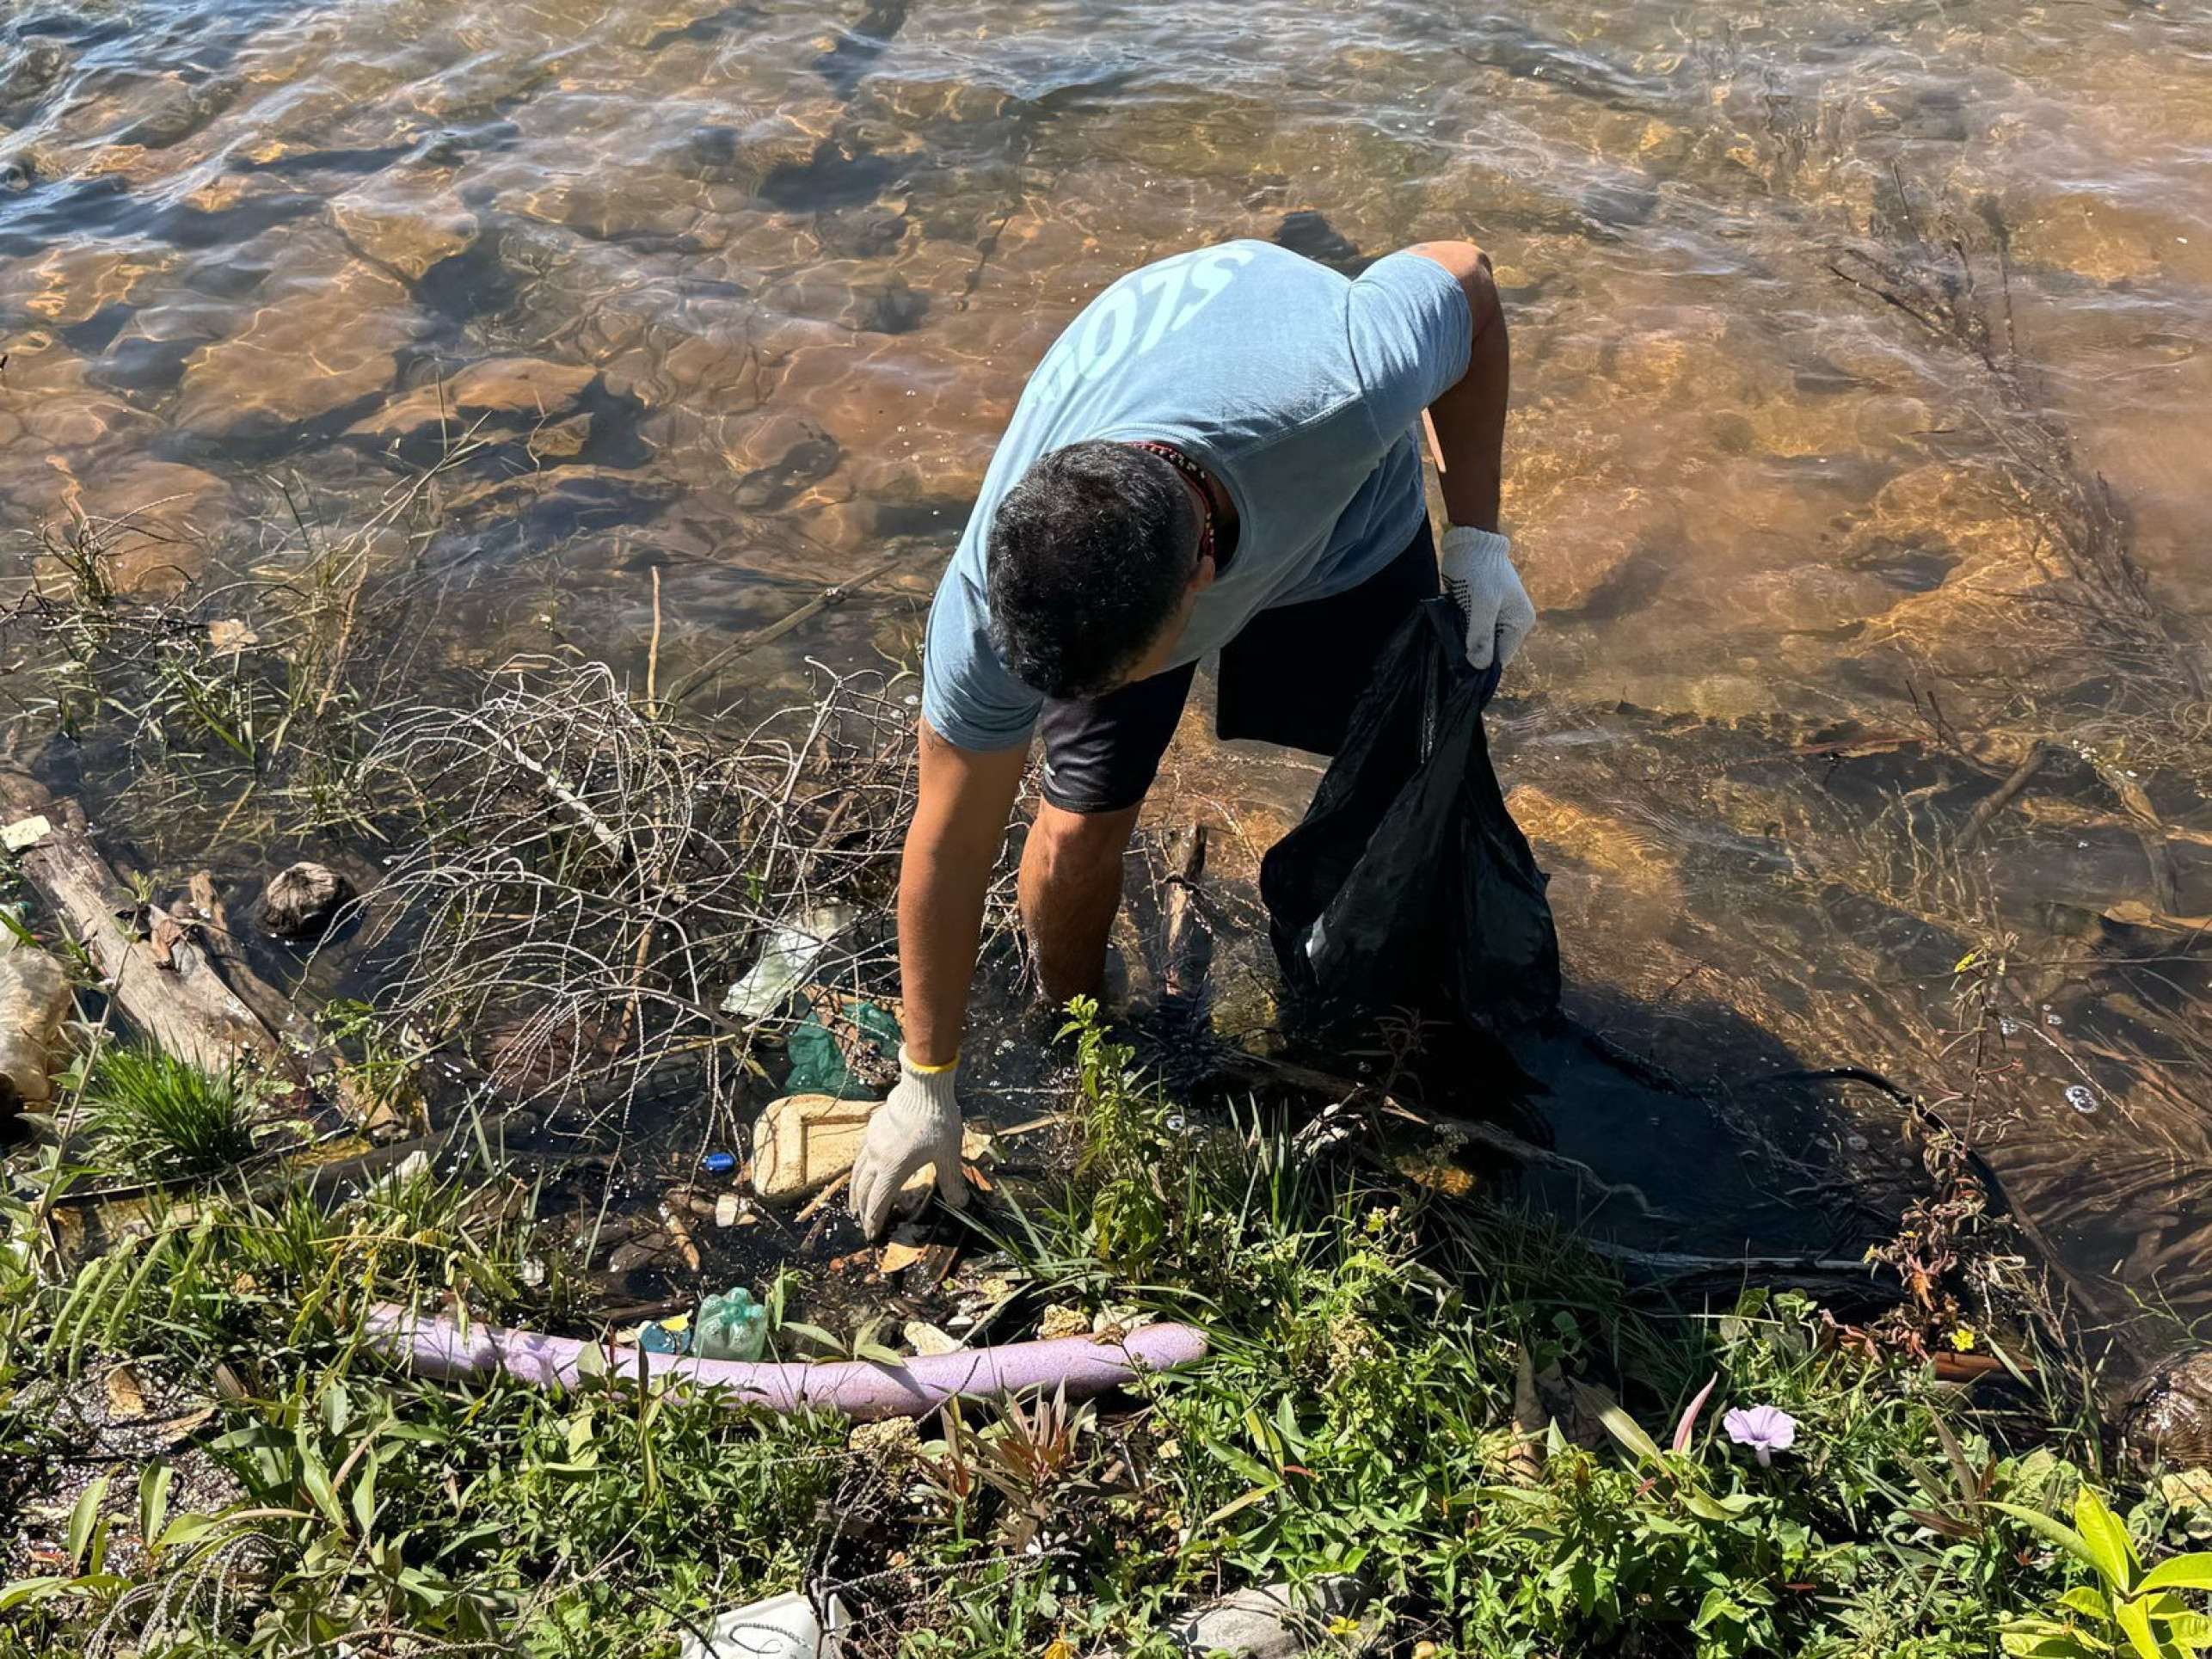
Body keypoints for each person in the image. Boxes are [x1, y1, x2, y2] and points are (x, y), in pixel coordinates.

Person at [848, 237, 1533, 1238]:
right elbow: (949, 841)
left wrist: (1476, 535)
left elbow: (1468, 278)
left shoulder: (1347, 379)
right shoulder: (996, 605)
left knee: (1394, 776)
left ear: (1199, 586)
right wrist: (926, 1079)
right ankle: (1078, 1024)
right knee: (1079, 826)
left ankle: (1382, 1020)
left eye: (1121, 670)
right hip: (1144, 506)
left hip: (1341, 522)